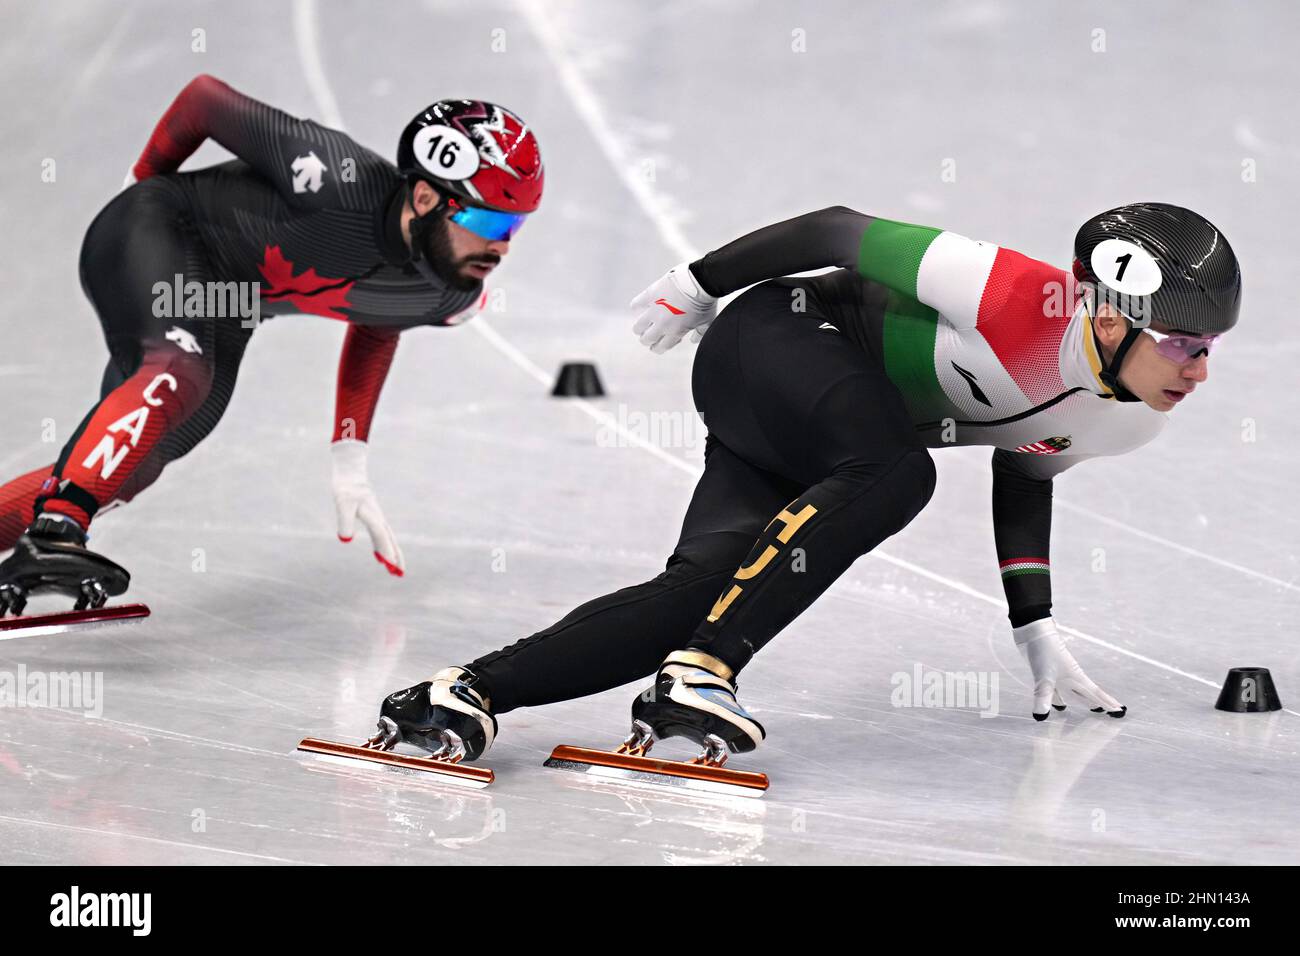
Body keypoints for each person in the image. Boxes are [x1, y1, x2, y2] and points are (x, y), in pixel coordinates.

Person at [368, 202, 1241, 765]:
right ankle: (705, 673)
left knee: (699, 597)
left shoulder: (1131, 419)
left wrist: (1035, 620)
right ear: (1107, 311)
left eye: (1209, 350)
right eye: (1183, 344)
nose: (1199, 372)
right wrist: (694, 281)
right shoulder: (1005, 290)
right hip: (776, 342)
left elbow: (1026, 467)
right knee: (900, 471)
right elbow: (834, 230)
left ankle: (465, 691)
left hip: (817, 444)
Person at [0, 76, 544, 616]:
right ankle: (56, 528)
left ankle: (52, 522)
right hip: (157, 227)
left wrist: (349, 455)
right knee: (181, 371)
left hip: (229, 302)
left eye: (516, 224)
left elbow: (379, 321)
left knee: (138, 463)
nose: (502, 243)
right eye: (487, 218)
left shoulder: (449, 292)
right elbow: (203, 102)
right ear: (425, 196)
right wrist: (137, 186)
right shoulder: (334, 175)